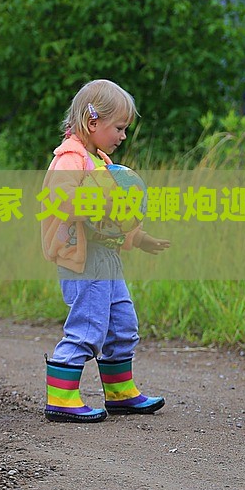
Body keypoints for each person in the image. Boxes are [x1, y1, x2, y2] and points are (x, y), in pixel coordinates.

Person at [39, 79, 171, 423]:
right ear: (92, 122)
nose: (123, 135)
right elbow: (58, 197)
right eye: (119, 127)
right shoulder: (70, 158)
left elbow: (115, 217)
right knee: (88, 327)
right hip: (82, 261)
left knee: (123, 324)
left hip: (106, 258)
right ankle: (61, 397)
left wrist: (138, 237)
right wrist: (97, 199)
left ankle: (120, 391)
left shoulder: (100, 161)